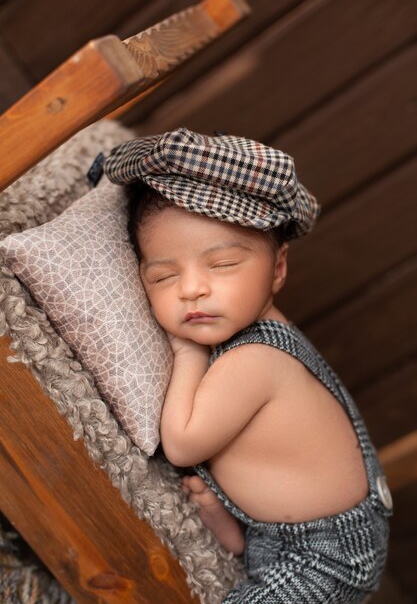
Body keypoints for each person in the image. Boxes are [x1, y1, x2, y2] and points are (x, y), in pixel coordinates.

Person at [104, 127, 392, 604]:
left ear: (277, 269)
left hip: (323, 556)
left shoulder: (257, 359)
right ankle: (243, 538)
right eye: (164, 275)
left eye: (222, 265)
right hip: (280, 532)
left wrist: (186, 353)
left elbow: (181, 442)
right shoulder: (247, 332)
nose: (191, 288)